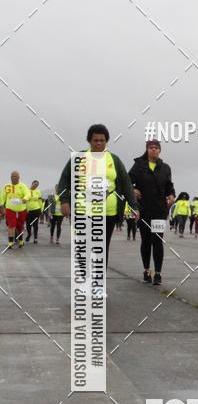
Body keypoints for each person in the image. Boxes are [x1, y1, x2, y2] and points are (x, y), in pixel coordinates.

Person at [57, 124, 139, 294]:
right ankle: (82, 283)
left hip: (107, 213)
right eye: (95, 140)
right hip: (82, 211)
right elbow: (64, 180)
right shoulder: (78, 158)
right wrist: (64, 201)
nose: (99, 143)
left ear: (107, 141)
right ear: (89, 141)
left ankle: (97, 285)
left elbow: (126, 185)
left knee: (101, 248)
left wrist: (133, 206)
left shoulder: (114, 160)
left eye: (102, 140)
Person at [128, 139, 175, 285]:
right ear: (147, 150)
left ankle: (158, 274)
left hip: (159, 211)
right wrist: (133, 190)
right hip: (144, 210)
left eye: (156, 148)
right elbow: (127, 181)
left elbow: (169, 186)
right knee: (146, 241)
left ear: (160, 150)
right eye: (151, 148)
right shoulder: (139, 166)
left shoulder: (165, 167)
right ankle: (147, 270)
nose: (153, 150)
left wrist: (172, 195)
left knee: (158, 241)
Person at [0, 171, 30, 248]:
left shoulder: (22, 186)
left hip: (21, 209)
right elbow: (2, 196)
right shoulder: (7, 186)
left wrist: (25, 199)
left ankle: (20, 240)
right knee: (11, 226)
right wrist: (1, 206)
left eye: (15, 176)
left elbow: (27, 194)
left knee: (20, 226)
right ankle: (10, 242)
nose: (13, 178)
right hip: (10, 209)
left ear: (18, 177)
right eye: (12, 176)